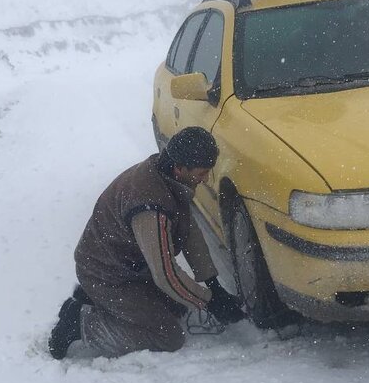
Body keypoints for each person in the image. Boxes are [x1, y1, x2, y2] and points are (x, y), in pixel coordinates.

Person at [48, 127, 245, 359]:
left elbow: (190, 233)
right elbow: (165, 275)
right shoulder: (150, 206)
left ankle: (96, 299)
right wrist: (210, 303)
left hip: (126, 267)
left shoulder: (168, 177)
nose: (205, 179)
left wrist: (212, 284)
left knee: (177, 306)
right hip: (107, 274)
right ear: (180, 168)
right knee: (168, 336)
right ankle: (80, 323)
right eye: (202, 173)